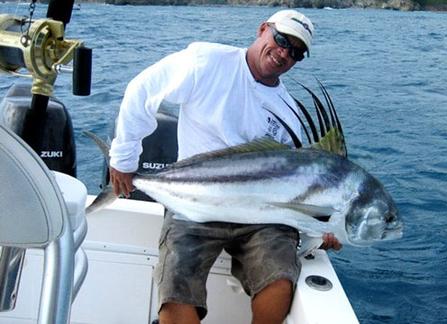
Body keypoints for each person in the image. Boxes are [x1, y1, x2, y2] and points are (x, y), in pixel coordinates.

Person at [108, 9, 341, 324]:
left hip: (260, 218)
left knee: (279, 279)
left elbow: (294, 190)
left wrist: (323, 226)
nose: (285, 53)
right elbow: (143, 89)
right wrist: (124, 160)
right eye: (282, 39)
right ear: (263, 29)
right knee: (177, 283)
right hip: (194, 205)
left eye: (296, 52)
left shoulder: (289, 116)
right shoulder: (207, 62)